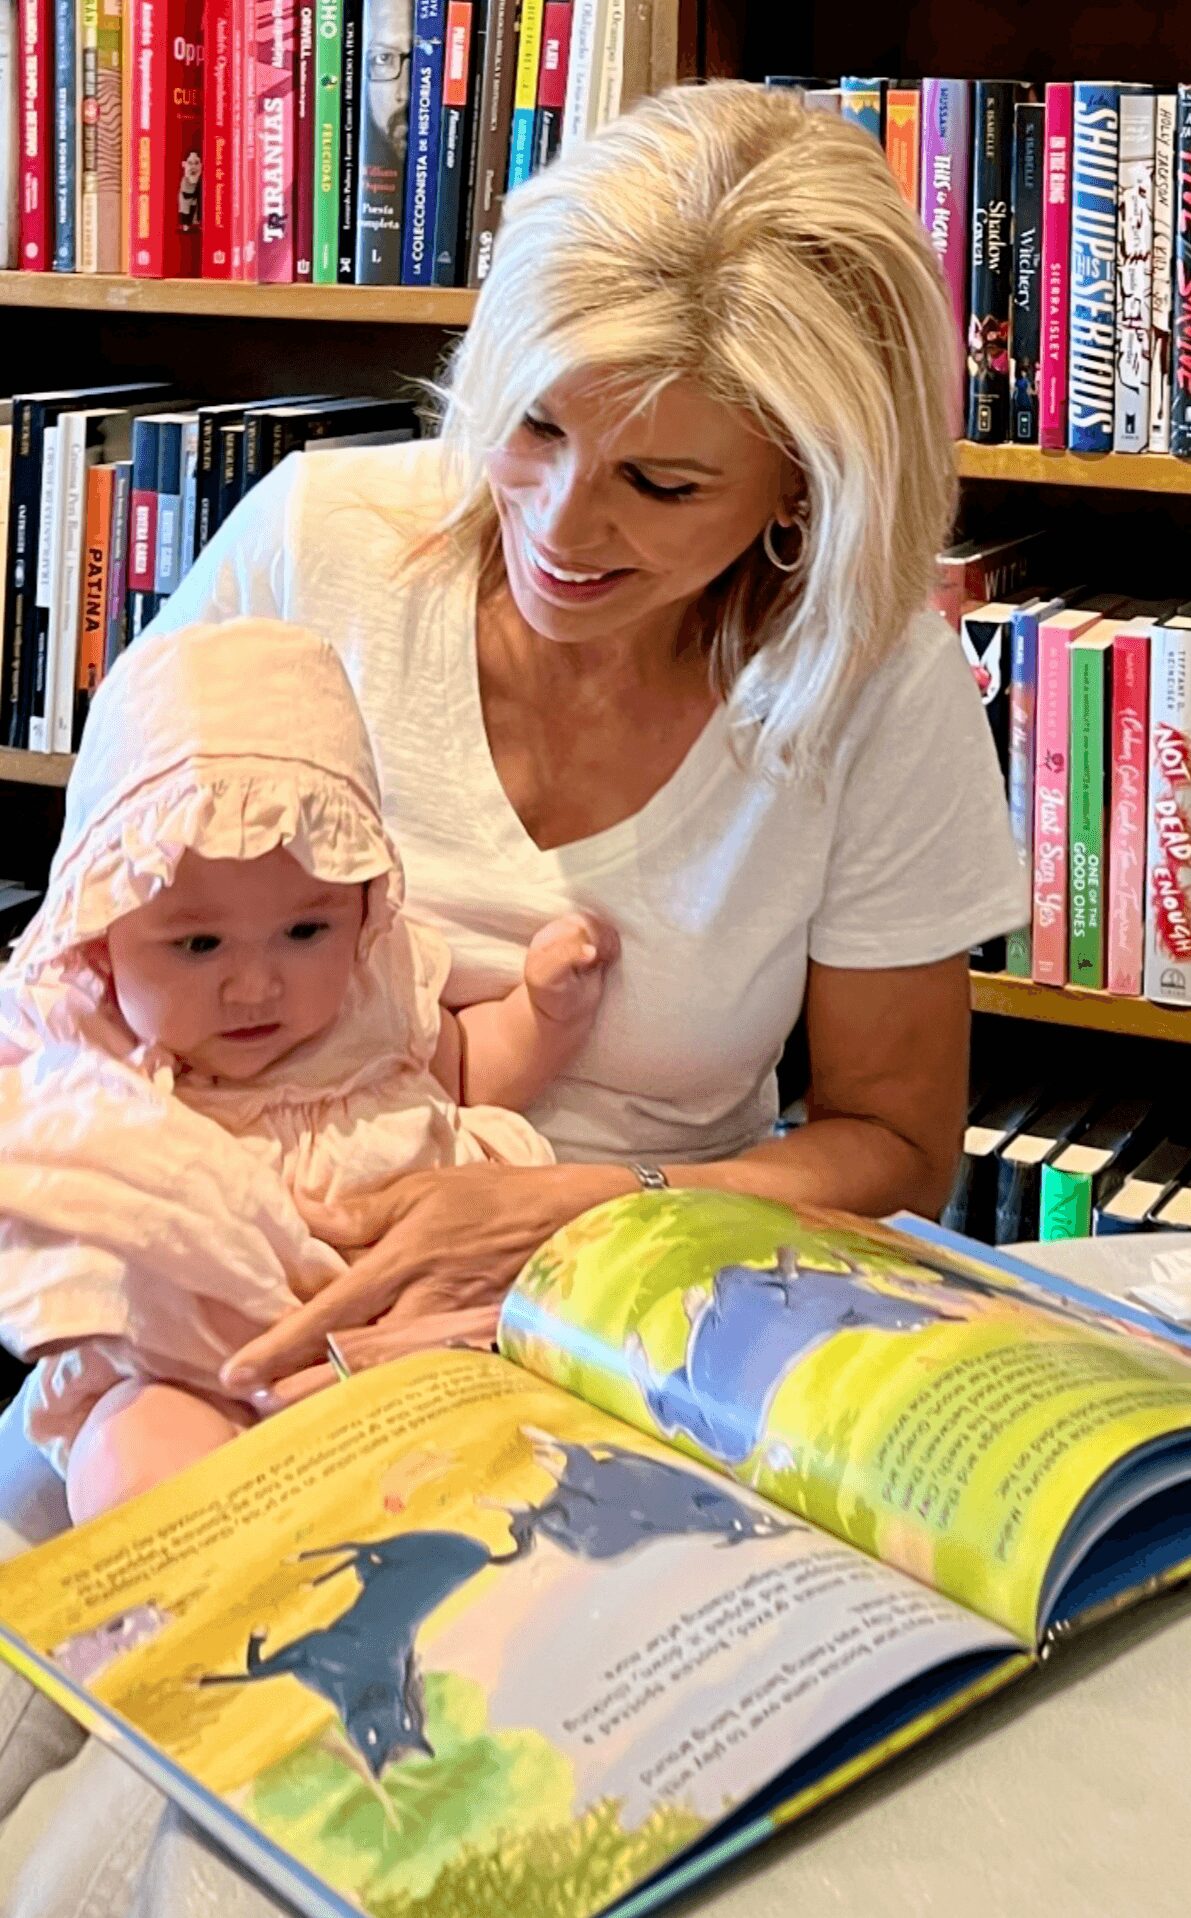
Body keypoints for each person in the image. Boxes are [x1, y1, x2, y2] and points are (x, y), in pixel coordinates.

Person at [0, 79, 1028, 1909]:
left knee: (294, 1818)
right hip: (195, 1319)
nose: (558, 519)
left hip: (600, 1343)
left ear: (804, 487)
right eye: (533, 425)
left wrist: (566, 1204)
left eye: (661, 482)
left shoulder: (868, 678)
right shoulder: (320, 543)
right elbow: (88, 971)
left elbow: (891, 1143)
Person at [0, 617, 617, 1521]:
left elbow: (471, 1072)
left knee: (511, 1457)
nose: (256, 984)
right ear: (101, 941)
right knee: (141, 1452)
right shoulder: (89, 1053)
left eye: (304, 930)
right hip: (201, 1367)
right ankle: (182, 1576)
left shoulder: (375, 997)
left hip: (412, 1331)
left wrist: (543, 1012)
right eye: (199, 944)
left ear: (363, 909)